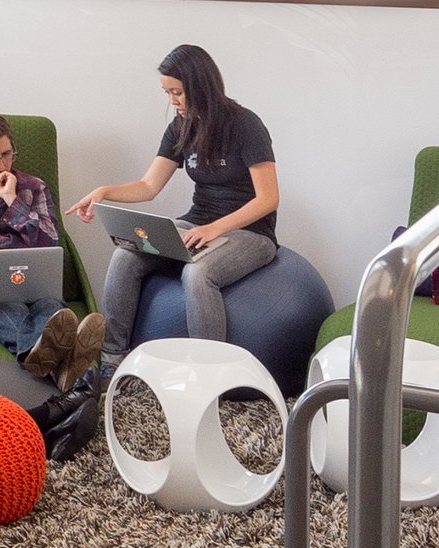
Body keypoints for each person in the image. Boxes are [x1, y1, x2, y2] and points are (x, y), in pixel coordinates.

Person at [68, 44, 280, 369]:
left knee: (197, 273)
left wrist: (214, 229)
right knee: (126, 254)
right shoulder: (181, 127)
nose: (172, 101)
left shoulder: (245, 125)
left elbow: (268, 199)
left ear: (200, 86)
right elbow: (149, 186)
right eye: (167, 93)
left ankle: (209, 371)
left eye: (177, 92)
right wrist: (103, 192)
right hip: (198, 225)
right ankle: (111, 362)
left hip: (250, 233)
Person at [0, 114, 107, 380]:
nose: (1, 164)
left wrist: (13, 201)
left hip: (30, 276)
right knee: (11, 308)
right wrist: (19, 243)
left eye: (7, 154)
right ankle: (68, 368)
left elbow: (50, 241)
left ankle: (52, 364)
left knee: (52, 308)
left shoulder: (34, 187)